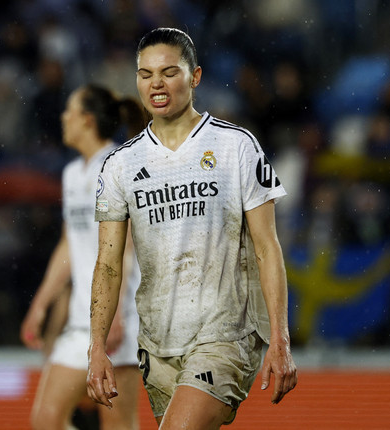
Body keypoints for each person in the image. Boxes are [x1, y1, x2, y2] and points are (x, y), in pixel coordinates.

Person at [87, 27, 297, 429]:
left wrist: (281, 339)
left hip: (226, 334)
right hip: (158, 342)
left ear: (195, 77)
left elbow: (267, 246)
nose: (156, 84)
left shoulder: (236, 146)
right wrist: (96, 347)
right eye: (146, 74)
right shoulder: (120, 165)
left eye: (169, 72)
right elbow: (109, 263)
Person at [20, 84, 147, 430]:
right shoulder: (72, 175)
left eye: (70, 111)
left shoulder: (118, 165)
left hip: (116, 318)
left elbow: (127, 246)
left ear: (87, 120)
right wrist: (41, 304)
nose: (63, 117)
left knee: (118, 424)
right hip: (80, 323)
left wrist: (117, 314)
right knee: (46, 419)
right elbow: (68, 245)